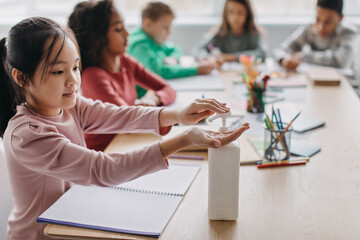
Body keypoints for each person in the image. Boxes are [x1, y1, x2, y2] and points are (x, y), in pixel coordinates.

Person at [0, 17, 249, 239]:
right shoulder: (27, 135)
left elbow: (120, 115)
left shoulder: (69, 106)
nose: (73, 80)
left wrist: (178, 114)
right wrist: (183, 140)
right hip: (42, 235)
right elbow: (103, 169)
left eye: (75, 67)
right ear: (21, 78)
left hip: (71, 220)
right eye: (58, 71)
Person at [68, 0, 177, 151]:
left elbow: (167, 88)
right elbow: (129, 121)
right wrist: (178, 116)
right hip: (106, 153)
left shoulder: (126, 62)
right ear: (98, 38)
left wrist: (154, 97)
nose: (128, 33)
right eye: (118, 29)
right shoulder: (93, 76)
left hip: (130, 144)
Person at [127, 2, 216, 91]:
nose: (169, 32)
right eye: (165, 28)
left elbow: (175, 49)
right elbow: (159, 72)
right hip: (142, 98)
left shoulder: (153, 38)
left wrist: (173, 58)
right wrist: (196, 70)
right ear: (148, 24)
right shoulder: (139, 44)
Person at [274, 0, 358, 70]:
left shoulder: (348, 32)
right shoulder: (310, 28)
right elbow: (280, 49)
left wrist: (304, 56)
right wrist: (284, 59)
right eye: (318, 19)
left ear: (340, 18)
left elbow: (342, 60)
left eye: (327, 22)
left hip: (344, 84)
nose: (321, 27)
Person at [197, 0, 267, 63]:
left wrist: (231, 57)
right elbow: (198, 50)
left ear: (247, 14)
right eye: (231, 12)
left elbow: (262, 54)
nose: (235, 17)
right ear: (225, 14)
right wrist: (208, 58)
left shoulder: (253, 33)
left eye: (240, 13)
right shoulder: (220, 33)